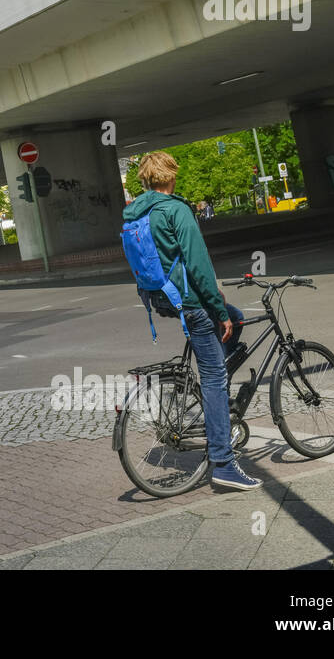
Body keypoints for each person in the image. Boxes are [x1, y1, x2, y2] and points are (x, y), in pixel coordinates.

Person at [122, 151, 258, 491]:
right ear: (170, 176)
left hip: (162, 297)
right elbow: (197, 264)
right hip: (191, 302)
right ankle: (224, 463)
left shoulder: (137, 212)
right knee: (214, 376)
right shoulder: (176, 210)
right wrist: (217, 305)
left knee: (237, 320)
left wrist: (223, 307)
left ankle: (216, 399)